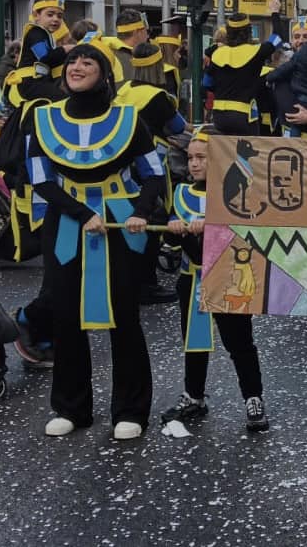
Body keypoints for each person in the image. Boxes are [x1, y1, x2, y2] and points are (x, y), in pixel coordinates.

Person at [27, 43, 166, 439]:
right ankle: (71, 408)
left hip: (121, 225)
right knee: (66, 314)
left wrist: (140, 211)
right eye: (72, 61)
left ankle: (131, 410)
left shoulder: (129, 119)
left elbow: (153, 174)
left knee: (124, 315)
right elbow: (40, 180)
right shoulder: (42, 119)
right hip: (68, 224)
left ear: (105, 73)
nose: (77, 66)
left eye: (88, 61)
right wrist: (82, 213)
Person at [160, 128, 269, 432]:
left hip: (229, 278)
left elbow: (252, 234)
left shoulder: (237, 192)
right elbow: (168, 246)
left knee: (240, 342)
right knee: (194, 342)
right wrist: (173, 230)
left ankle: (253, 398)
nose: (193, 164)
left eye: (202, 158)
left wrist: (211, 227)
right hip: (190, 277)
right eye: (190, 157)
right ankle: (194, 395)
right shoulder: (181, 192)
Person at [116, 42, 189, 306]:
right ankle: (146, 282)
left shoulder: (123, 89)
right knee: (153, 216)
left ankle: (131, 277)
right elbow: (178, 126)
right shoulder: (157, 97)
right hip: (151, 161)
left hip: (122, 163)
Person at [204, 0, 285, 135]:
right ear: (249, 32)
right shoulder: (257, 51)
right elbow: (277, 38)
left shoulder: (217, 54)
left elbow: (206, 83)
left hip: (219, 116)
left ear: (228, 33)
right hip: (244, 115)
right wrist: (274, 13)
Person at [4, 0, 68, 105]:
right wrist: (65, 49)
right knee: (63, 99)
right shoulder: (35, 33)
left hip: (38, 81)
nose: (55, 19)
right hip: (30, 83)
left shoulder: (45, 34)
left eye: (59, 16)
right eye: (50, 14)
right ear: (36, 15)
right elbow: (45, 58)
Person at [111, 10, 150, 81]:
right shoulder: (131, 60)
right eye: (146, 31)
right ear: (137, 32)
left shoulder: (108, 52)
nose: (147, 36)